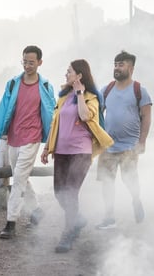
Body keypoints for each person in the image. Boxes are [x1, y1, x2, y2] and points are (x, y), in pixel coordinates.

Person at [40, 59, 114, 253]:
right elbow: (54, 123)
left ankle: (68, 233)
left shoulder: (91, 97)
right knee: (59, 192)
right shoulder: (63, 97)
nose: (66, 74)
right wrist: (47, 147)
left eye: (69, 71)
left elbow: (84, 116)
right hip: (61, 151)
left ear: (79, 75)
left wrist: (80, 93)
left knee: (70, 192)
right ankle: (78, 219)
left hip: (81, 151)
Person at [0, 45, 56, 240]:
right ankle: (37, 211)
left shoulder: (45, 86)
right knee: (22, 176)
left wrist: (50, 142)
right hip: (13, 137)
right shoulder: (13, 84)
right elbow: (2, 110)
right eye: (25, 61)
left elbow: (52, 115)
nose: (27, 65)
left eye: (31, 62)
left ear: (40, 63)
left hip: (33, 137)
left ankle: (10, 223)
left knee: (18, 177)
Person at [96, 50, 153, 229]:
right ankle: (109, 216)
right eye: (115, 64)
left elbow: (147, 117)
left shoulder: (139, 91)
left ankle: (136, 200)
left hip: (129, 145)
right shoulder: (106, 90)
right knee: (107, 180)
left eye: (121, 64)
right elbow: (96, 114)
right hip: (108, 145)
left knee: (129, 179)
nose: (117, 68)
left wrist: (142, 141)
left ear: (131, 68)